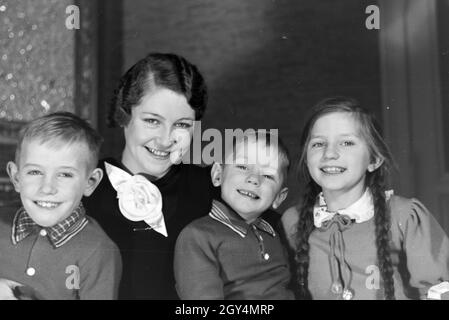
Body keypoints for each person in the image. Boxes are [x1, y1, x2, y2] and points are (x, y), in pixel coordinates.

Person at [282, 97, 449, 300]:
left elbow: (437, 292)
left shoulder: (405, 216)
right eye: (318, 143)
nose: (330, 153)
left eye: (347, 142)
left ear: (374, 159)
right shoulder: (292, 221)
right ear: (306, 158)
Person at [83, 52, 218, 299]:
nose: (166, 139)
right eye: (152, 121)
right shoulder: (81, 185)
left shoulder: (210, 188)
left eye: (182, 125)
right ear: (124, 115)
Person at [0, 112, 122, 300]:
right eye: (34, 171)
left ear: (90, 182)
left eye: (65, 175)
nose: (47, 188)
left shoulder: (100, 251)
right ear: (16, 177)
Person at [174, 131, 294, 299]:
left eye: (267, 175)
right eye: (243, 167)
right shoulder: (199, 235)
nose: (254, 179)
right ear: (218, 175)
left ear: (278, 198)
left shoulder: (275, 234)